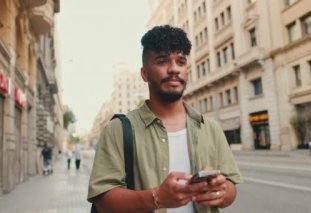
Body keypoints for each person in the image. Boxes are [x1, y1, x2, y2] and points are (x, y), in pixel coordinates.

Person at [88, 25, 242, 212]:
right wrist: (157, 197)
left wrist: (219, 191)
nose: (174, 69)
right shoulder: (118, 129)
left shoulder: (209, 127)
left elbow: (231, 189)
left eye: (181, 61)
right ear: (144, 74)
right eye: (162, 61)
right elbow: (103, 200)